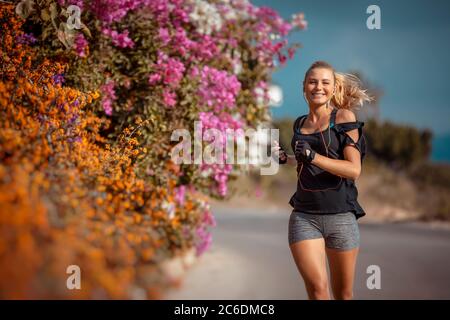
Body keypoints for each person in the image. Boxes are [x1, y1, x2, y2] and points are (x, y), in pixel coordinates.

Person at [273, 60, 373, 300]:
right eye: (312, 82)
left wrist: (313, 157)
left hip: (340, 216)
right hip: (304, 216)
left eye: (325, 82)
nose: (318, 87)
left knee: (343, 295)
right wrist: (285, 158)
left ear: (332, 87)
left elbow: (353, 169)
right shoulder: (299, 123)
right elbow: (304, 162)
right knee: (318, 292)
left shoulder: (343, 117)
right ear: (304, 86)